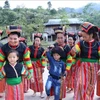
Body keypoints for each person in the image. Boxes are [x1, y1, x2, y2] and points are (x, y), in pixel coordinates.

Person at [0, 25, 33, 93]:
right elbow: (0, 61)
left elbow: (27, 60)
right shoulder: (4, 48)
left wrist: (31, 72)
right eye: (10, 38)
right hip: (8, 67)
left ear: (19, 38)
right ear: (8, 38)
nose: (12, 40)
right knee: (9, 86)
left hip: (20, 67)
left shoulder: (23, 47)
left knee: (19, 86)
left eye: (15, 39)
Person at [71, 22, 100, 100]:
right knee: (81, 84)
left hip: (94, 67)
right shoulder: (80, 43)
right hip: (83, 66)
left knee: (90, 86)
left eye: (85, 36)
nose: (83, 38)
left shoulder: (98, 44)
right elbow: (73, 53)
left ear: (91, 35)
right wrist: (73, 51)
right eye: (82, 36)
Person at [29, 33, 45, 98]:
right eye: (36, 40)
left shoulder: (42, 49)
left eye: (38, 40)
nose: (37, 42)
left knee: (40, 79)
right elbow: (27, 56)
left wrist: (43, 67)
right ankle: (34, 91)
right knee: (33, 78)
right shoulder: (30, 48)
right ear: (34, 41)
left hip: (39, 65)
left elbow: (43, 58)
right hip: (31, 65)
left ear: (40, 41)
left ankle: (41, 92)